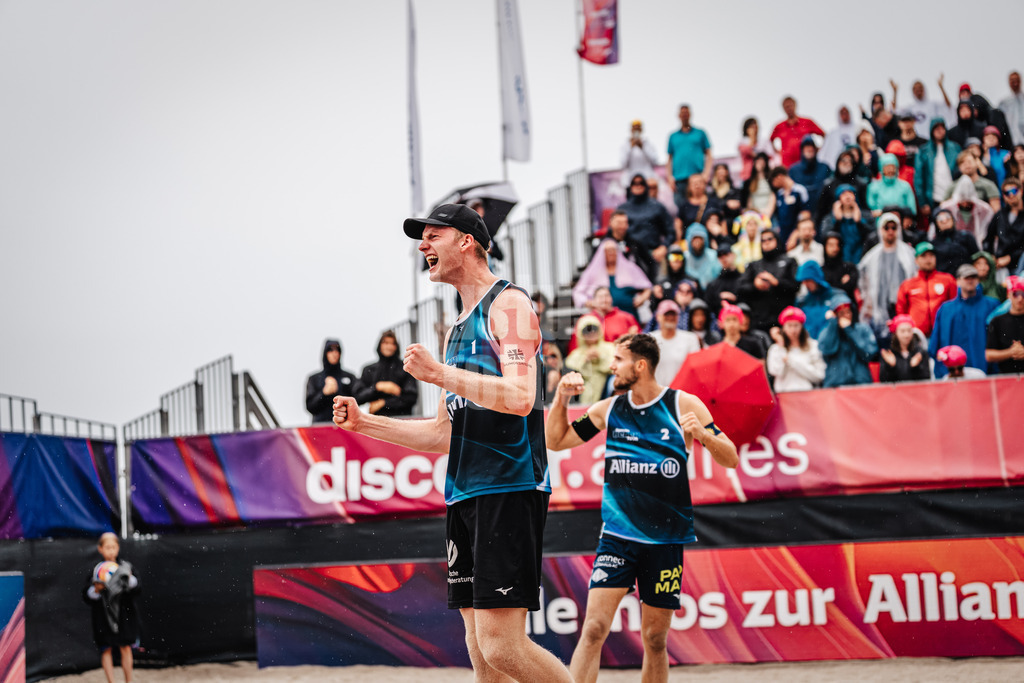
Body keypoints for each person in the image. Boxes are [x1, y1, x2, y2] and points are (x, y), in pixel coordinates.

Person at [332, 203, 571, 682]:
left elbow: (523, 398)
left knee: (503, 649)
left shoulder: (510, 305)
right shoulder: (458, 328)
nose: (422, 246)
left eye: (432, 235)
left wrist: (440, 374)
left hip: (509, 486)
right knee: (481, 654)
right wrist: (365, 425)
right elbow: (444, 433)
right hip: (464, 493)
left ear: (466, 240)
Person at [545, 334, 737, 683]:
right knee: (593, 629)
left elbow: (732, 458)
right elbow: (556, 441)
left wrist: (705, 437)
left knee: (654, 639)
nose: (612, 366)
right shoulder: (609, 409)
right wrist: (560, 398)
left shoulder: (684, 406)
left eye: (618, 359)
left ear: (640, 365)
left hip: (665, 541)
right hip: (617, 537)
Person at [83, 533, 139, 683]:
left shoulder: (126, 567)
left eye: (113, 547)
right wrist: (96, 590)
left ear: (118, 548)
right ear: (100, 549)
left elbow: (137, 589)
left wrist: (128, 580)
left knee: (125, 647)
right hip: (102, 616)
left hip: (124, 616)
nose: (111, 551)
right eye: (107, 547)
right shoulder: (96, 571)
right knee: (105, 648)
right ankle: (111, 681)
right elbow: (87, 596)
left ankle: (129, 680)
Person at [929, 263, 1001, 378]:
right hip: (953, 374)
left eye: (973, 277)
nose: (970, 280)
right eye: (966, 277)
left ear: (978, 280)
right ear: (958, 281)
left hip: (984, 373)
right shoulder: (946, 309)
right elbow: (935, 345)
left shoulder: (992, 305)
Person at [858, 212, 918, 339]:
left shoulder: (909, 254)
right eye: (886, 228)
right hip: (879, 307)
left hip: (903, 305)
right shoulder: (872, 256)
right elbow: (863, 278)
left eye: (893, 228)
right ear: (880, 230)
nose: (890, 231)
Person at [738, 228, 799, 332]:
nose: (766, 243)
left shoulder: (789, 261)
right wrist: (755, 285)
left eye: (770, 239)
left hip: (784, 320)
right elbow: (740, 288)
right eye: (763, 240)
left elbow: (796, 286)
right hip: (759, 320)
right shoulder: (754, 265)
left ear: (777, 240)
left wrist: (776, 282)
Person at [572, 241, 652, 320]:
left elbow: (648, 287)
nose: (611, 253)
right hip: (604, 319)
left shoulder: (630, 268)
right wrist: (589, 303)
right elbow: (577, 292)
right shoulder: (592, 272)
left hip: (630, 316)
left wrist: (642, 298)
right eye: (607, 250)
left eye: (613, 250)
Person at [895, 241, 957, 338]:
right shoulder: (907, 285)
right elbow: (901, 313)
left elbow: (955, 306)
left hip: (943, 333)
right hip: (917, 336)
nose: (928, 259)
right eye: (924, 256)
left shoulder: (948, 280)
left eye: (931, 255)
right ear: (916, 260)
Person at [618, 173, 674, 279]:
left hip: (653, 254)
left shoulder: (657, 207)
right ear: (630, 187)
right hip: (630, 256)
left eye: (641, 183)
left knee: (657, 287)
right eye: (634, 183)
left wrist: (664, 247)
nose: (638, 185)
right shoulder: (622, 209)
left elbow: (670, 231)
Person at [818, 293, 878, 388]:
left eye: (848, 312)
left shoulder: (862, 328)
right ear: (835, 315)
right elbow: (827, 350)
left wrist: (850, 330)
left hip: (861, 382)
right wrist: (833, 324)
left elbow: (869, 353)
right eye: (841, 313)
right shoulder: (827, 331)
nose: (846, 316)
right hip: (835, 384)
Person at [354, 331, 419, 416]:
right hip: (376, 422)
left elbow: (411, 398)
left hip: (401, 421)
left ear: (396, 347)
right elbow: (357, 397)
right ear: (379, 345)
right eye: (386, 343)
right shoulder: (369, 370)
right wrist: (377, 387)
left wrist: (383, 403)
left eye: (392, 343)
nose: (389, 346)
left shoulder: (406, 368)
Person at [766, 306, 826, 392]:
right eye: (789, 326)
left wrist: (791, 360)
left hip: (807, 394)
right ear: (784, 327)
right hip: (784, 396)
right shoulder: (775, 349)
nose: (793, 330)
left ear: (801, 327)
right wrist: (782, 347)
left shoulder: (813, 346)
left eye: (796, 326)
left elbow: (819, 376)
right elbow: (776, 372)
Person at [666, 104, 712, 212]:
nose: (684, 115)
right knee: (682, 210)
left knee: (701, 207)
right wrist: (669, 177)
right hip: (679, 179)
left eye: (686, 113)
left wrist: (706, 173)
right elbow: (669, 159)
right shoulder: (673, 136)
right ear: (678, 116)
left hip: (697, 177)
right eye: (682, 113)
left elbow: (709, 155)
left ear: (690, 114)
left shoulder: (700, 133)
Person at [914, 118, 961, 217]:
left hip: (953, 197)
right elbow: (918, 178)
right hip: (933, 199)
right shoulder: (924, 151)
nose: (940, 131)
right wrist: (923, 202)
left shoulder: (955, 148)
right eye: (936, 128)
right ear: (931, 131)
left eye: (942, 128)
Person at [566, 314, 616, 404]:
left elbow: (613, 367)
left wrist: (600, 358)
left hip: (606, 388)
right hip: (583, 391)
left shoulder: (609, 348)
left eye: (594, 329)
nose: (591, 333)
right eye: (587, 331)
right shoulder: (576, 354)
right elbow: (570, 370)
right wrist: (585, 361)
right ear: (581, 333)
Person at [648, 299, 700, 386]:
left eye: (673, 314)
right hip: (657, 393)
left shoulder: (690, 338)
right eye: (666, 314)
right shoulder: (649, 339)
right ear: (658, 316)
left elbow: (695, 368)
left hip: (682, 392)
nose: (670, 317)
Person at [305, 339, 357, 424]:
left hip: (345, 428)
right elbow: (310, 407)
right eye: (330, 350)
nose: (334, 354)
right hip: (320, 427)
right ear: (325, 353)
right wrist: (324, 393)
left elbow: (358, 400)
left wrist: (339, 394)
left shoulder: (349, 377)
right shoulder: (314, 379)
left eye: (337, 350)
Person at [820, 183, 872, 264]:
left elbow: (871, 236)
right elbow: (825, 237)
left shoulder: (865, 215)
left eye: (850, 193)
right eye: (844, 194)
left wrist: (859, 222)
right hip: (840, 260)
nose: (847, 196)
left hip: (861, 256)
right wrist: (837, 221)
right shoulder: (829, 218)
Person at [815, 151, 868, 228]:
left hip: (857, 224)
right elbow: (821, 210)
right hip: (834, 225)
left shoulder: (861, 184)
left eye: (850, 161)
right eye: (843, 160)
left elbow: (865, 208)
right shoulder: (829, 185)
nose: (846, 163)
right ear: (838, 162)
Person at [938, 175, 995, 247]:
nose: (965, 203)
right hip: (953, 244)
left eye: (967, 201)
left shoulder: (984, 209)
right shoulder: (947, 208)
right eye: (962, 200)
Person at [770, 95, 825, 168]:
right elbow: (770, 141)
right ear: (783, 108)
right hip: (787, 166)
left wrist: (817, 149)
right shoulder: (779, 126)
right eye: (786, 106)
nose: (789, 108)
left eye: (790, 105)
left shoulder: (807, 122)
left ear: (795, 105)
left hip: (806, 165)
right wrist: (778, 152)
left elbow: (824, 135)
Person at [986, 276, 1024, 374]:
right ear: (1008, 295)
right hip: (1006, 378)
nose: (1020, 298)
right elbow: (989, 355)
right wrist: (1011, 352)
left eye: (1023, 294)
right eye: (1016, 294)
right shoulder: (997, 321)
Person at [987, 177, 1024, 274]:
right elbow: (988, 239)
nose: (1011, 195)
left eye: (1013, 191)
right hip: (1000, 263)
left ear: (1021, 191)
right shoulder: (1000, 215)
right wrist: (992, 257)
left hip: (1020, 263)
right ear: (1003, 196)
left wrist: (1010, 258)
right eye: (1007, 193)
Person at [879, 314, 931, 383]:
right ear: (896, 333)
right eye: (902, 331)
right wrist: (891, 366)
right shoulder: (889, 353)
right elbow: (883, 380)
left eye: (909, 331)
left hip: (915, 392)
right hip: (895, 392)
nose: (906, 335)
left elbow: (926, 379)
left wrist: (916, 367)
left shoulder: (920, 353)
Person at [931, 207, 979, 275]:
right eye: (940, 219)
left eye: (947, 217)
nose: (945, 221)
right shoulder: (933, 244)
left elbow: (977, 257)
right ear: (936, 223)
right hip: (945, 279)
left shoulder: (966, 236)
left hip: (966, 277)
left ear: (952, 219)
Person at [794, 260, 835, 339]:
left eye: (808, 280)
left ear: (816, 278)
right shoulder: (801, 301)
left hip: (830, 344)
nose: (805, 284)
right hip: (809, 346)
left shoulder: (835, 296)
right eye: (804, 281)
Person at [788, 136, 831, 211]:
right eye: (806, 147)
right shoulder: (793, 170)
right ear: (802, 150)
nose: (809, 149)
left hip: (821, 210)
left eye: (811, 146)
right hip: (800, 212)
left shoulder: (824, 168)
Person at [867, 153, 917, 217]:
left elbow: (912, 210)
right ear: (881, 169)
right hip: (880, 223)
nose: (890, 170)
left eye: (892, 167)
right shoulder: (873, 187)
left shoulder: (905, 186)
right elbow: (870, 211)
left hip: (901, 222)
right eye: (887, 167)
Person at [821, 232, 860, 314]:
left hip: (849, 310)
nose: (835, 249)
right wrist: (841, 285)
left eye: (837, 245)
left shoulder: (850, 267)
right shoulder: (821, 270)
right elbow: (825, 291)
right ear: (825, 247)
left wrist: (834, 285)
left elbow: (852, 284)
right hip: (827, 310)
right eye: (831, 245)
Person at [769, 166, 811, 243]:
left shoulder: (800, 191)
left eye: (773, 181)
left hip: (796, 235)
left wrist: (795, 234)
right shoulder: (779, 194)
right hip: (783, 235)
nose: (773, 185)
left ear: (779, 177)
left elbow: (806, 214)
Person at [620, 120, 659, 186]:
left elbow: (654, 161)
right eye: (634, 128)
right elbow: (623, 164)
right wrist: (630, 148)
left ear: (641, 130)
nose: (636, 130)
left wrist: (642, 148)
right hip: (630, 181)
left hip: (647, 179)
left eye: (638, 128)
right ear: (631, 130)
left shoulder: (648, 144)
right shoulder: (625, 146)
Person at [705, 245, 742, 315]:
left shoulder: (743, 280)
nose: (723, 258)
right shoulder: (714, 284)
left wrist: (735, 299)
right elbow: (709, 307)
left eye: (726, 254)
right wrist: (719, 299)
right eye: (720, 256)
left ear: (733, 255)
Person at [683, 222, 721, 289]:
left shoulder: (713, 255)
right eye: (695, 239)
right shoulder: (685, 257)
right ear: (690, 240)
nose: (697, 242)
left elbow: (718, 276)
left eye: (700, 239)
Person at [741, 152, 777, 220]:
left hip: (769, 213)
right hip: (754, 215)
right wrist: (752, 213)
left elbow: (773, 196)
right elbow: (748, 199)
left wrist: (768, 214)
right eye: (758, 161)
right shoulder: (748, 182)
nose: (760, 164)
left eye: (762, 161)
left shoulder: (770, 180)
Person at [998, 71, 1024, 147]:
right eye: (1012, 80)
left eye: (1017, 80)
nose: (1015, 83)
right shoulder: (1005, 102)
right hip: (1012, 140)